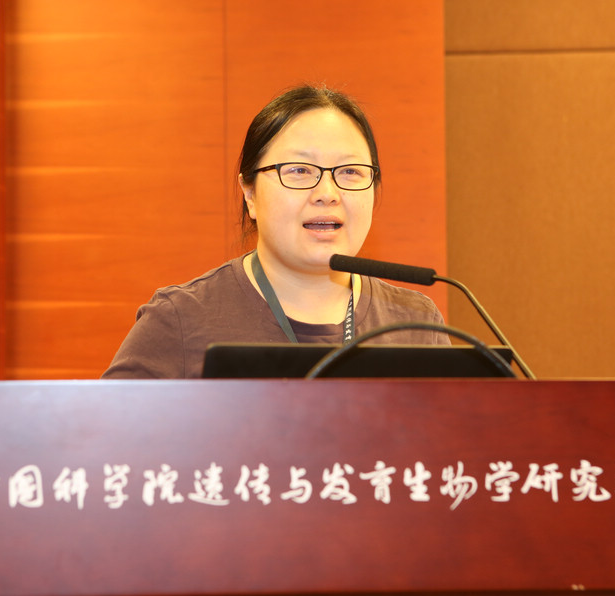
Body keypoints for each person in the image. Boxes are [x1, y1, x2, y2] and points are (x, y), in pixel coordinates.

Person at [102, 85, 451, 379]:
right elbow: (99, 435)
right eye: (299, 170)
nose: (327, 193)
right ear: (250, 194)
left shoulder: (416, 324)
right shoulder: (179, 320)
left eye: (350, 171)